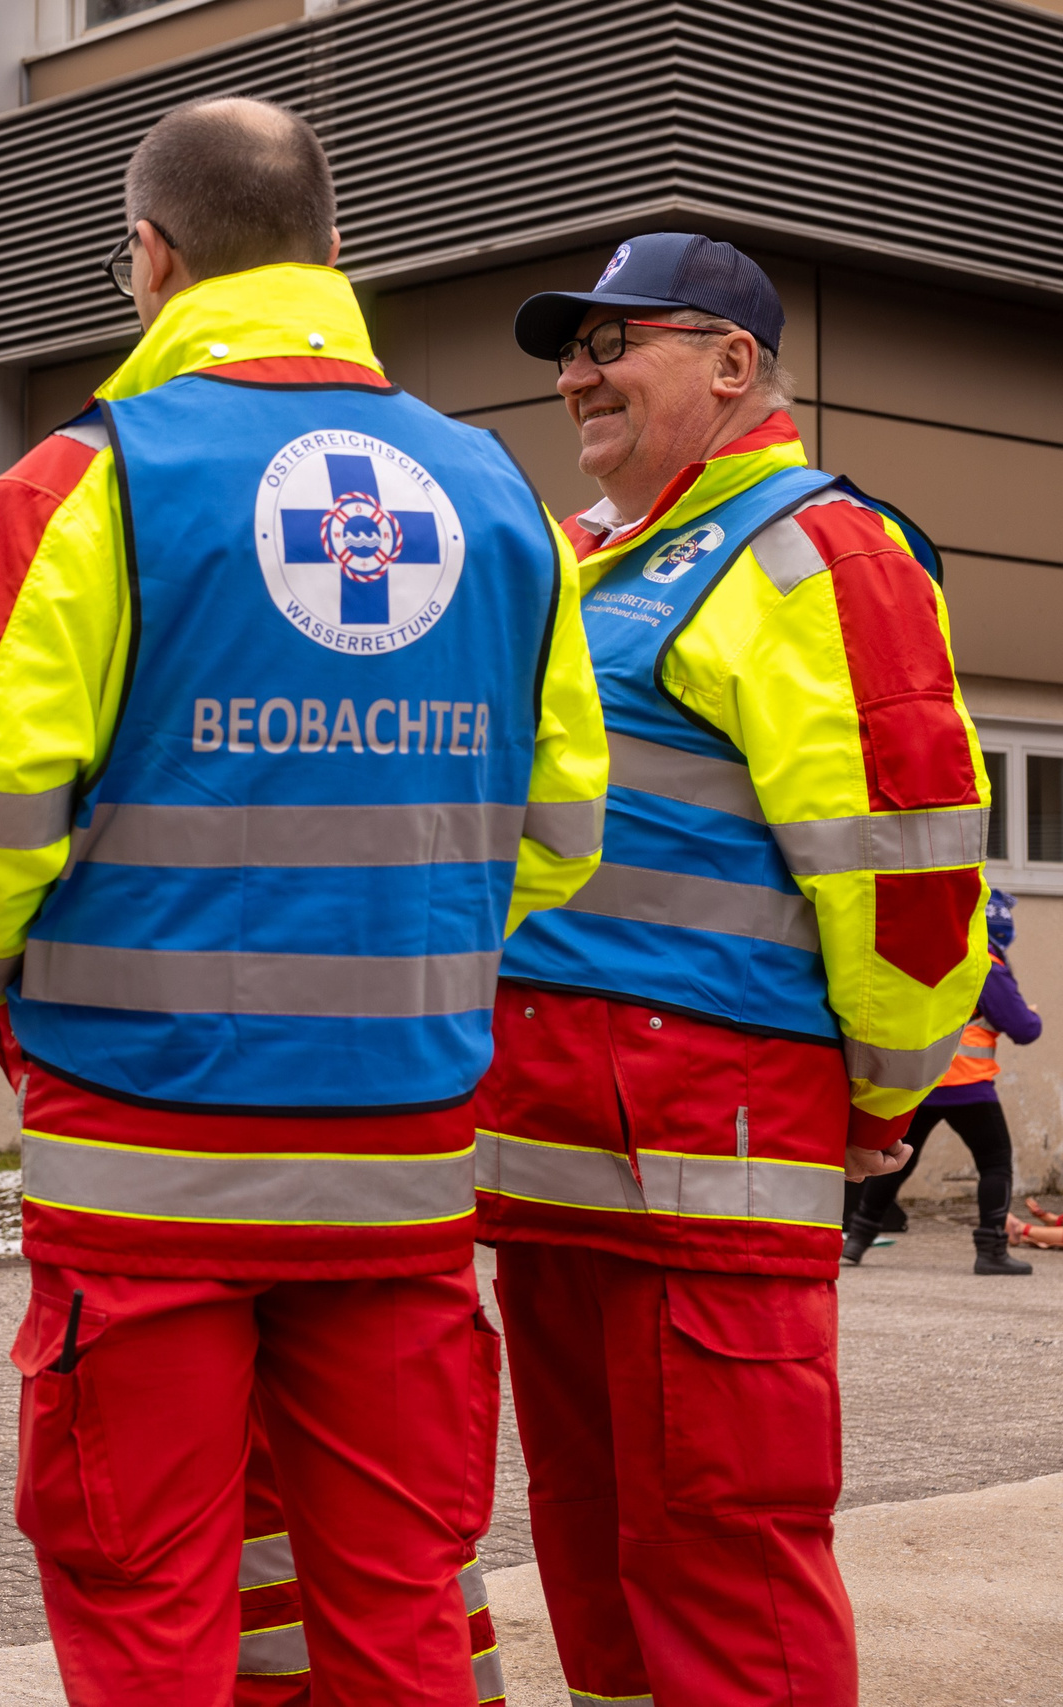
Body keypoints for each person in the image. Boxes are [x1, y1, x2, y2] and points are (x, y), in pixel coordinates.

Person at [0, 99, 608, 1703]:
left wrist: (15, 968)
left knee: (149, 1603)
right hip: (404, 1164)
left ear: (147, 255)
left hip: (142, 1165)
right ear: (334, 254)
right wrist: (406, 951)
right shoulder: (500, 496)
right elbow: (558, 825)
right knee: (402, 1603)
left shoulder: (81, 485)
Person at [478, 232, 990, 1703]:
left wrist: (887, 1095)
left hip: (713, 1154)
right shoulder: (574, 558)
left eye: (612, 341)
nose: (577, 373)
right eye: (570, 350)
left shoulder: (822, 548)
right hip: (546, 1161)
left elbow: (910, 878)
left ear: (732, 362)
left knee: (725, 1558)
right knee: (591, 1546)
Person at [847, 887, 1038, 1272]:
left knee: (896, 1159)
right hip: (968, 1084)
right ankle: (992, 1251)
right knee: (995, 1161)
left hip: (921, 1081)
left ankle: (856, 1242)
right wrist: (1030, 1014)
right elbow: (1023, 1027)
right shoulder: (987, 961)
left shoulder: (942, 950)